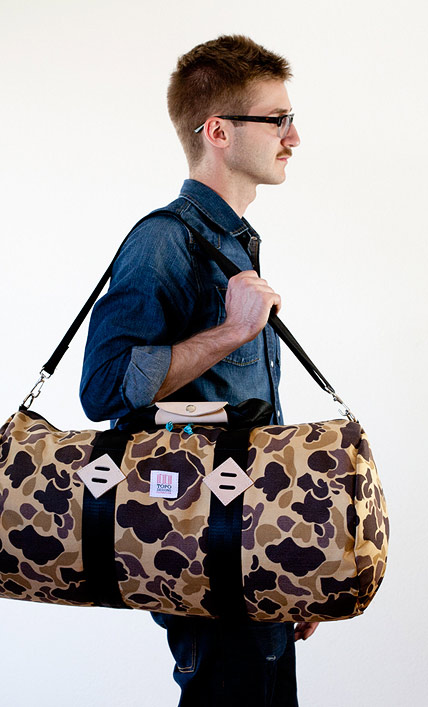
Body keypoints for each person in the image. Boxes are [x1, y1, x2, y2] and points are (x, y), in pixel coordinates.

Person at [81, 34, 317, 707]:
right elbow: (103, 388)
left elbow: (246, 425)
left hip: (249, 556)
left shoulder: (233, 243)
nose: (293, 137)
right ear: (218, 131)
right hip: (203, 560)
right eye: (277, 119)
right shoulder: (164, 240)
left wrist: (289, 562)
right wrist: (233, 331)